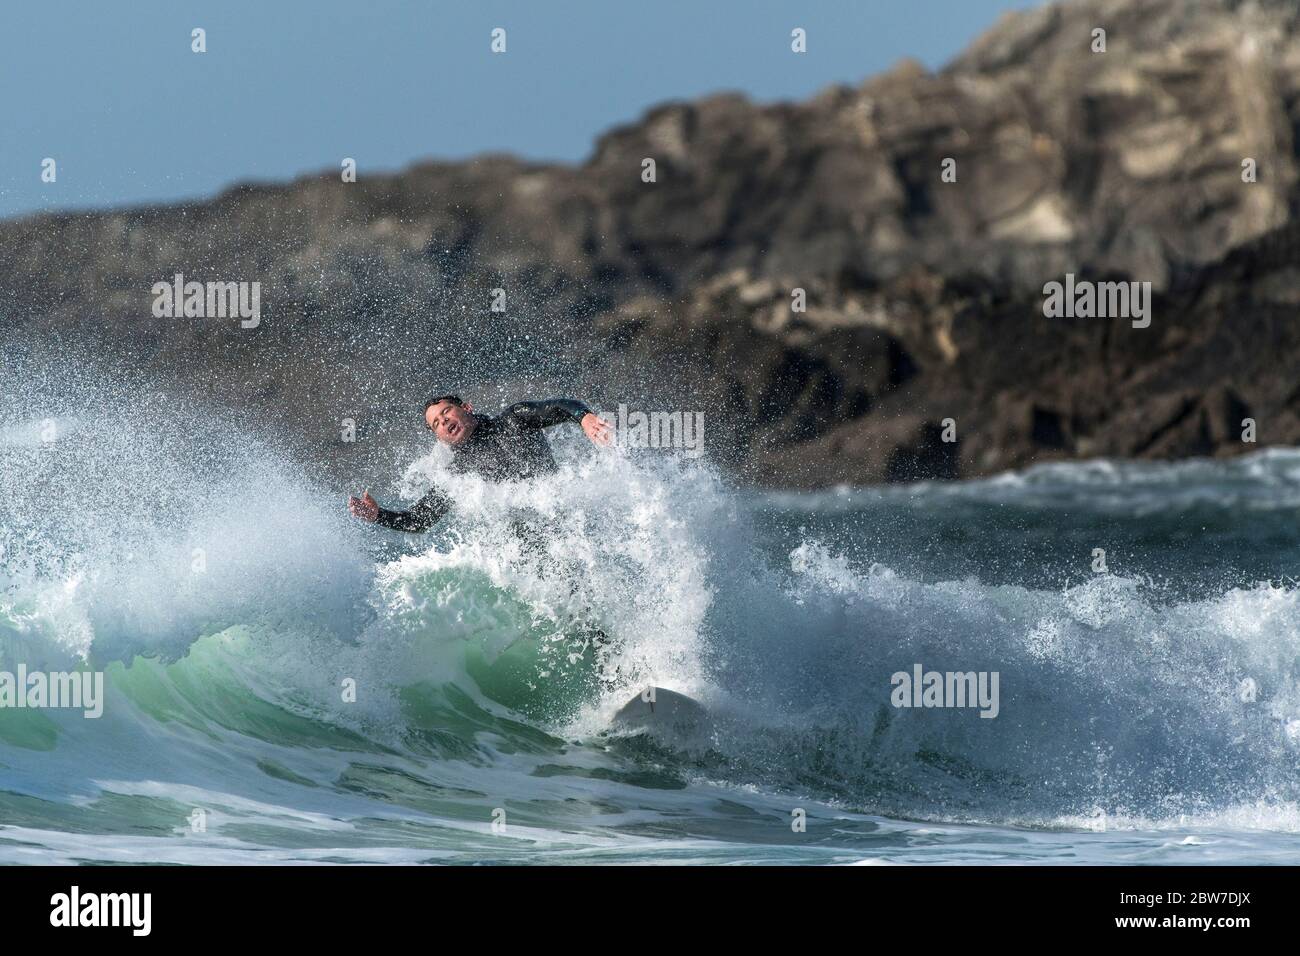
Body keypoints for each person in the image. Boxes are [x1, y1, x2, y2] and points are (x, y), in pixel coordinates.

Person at [348, 395, 613, 533]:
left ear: (467, 408)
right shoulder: (458, 476)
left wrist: (584, 418)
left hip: (564, 513)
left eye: (446, 412)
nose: (443, 422)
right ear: (438, 437)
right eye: (436, 424)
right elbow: (419, 520)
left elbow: (558, 406)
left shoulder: (514, 419)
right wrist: (378, 515)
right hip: (530, 540)